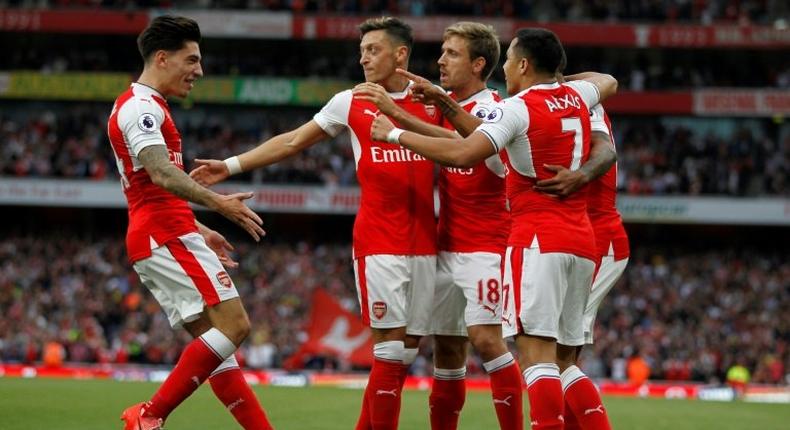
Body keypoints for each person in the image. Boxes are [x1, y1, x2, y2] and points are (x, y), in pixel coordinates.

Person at [189, 17, 440, 430]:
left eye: (373, 50)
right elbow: (293, 140)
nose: (363, 58)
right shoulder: (350, 102)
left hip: (427, 244)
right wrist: (230, 165)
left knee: (406, 354)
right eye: (361, 51)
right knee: (390, 352)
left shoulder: (435, 101)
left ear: (401, 55)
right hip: (379, 243)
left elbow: (468, 144)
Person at [370, 28, 617, 430]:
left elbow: (464, 150)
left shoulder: (514, 108)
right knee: (565, 364)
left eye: (509, 61)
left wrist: (396, 131)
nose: (505, 68)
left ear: (522, 65)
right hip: (580, 242)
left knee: (536, 360)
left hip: (534, 239)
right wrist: (561, 79)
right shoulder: (578, 97)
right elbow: (608, 81)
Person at [353, 22, 522, 430]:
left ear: (479, 64)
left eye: (452, 54)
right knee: (447, 351)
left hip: (487, 246)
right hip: (445, 245)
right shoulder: (441, 106)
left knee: (485, 339)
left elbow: (469, 151)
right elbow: (447, 141)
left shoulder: (499, 111)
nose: (441, 60)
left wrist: (396, 124)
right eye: (442, 51)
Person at [108, 16, 272, 430]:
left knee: (219, 352)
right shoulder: (141, 108)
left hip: (163, 231)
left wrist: (198, 226)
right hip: (164, 235)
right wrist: (219, 205)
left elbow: (148, 188)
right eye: (192, 60)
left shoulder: (144, 105)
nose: (199, 70)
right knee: (235, 326)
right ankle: (149, 416)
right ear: (162, 58)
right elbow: (160, 173)